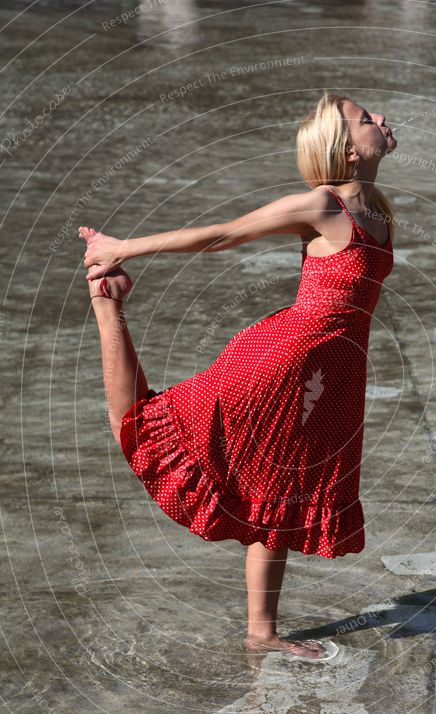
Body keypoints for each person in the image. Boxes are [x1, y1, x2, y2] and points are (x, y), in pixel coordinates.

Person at [78, 90, 397, 660]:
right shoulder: (325, 206)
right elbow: (227, 234)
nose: (381, 119)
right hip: (284, 357)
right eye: (366, 119)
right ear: (347, 150)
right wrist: (121, 246)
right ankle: (109, 307)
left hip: (333, 375)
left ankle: (261, 633)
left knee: (278, 492)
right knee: (144, 422)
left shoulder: (380, 211)